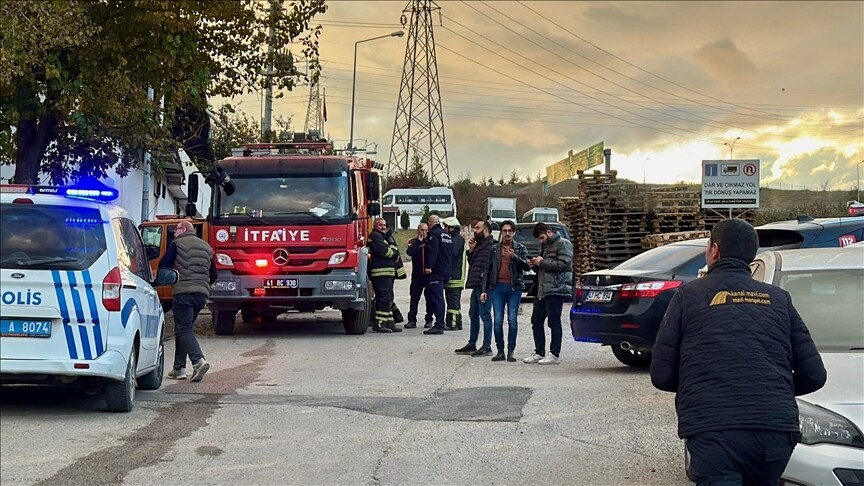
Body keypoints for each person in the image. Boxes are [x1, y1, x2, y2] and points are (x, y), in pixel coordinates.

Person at [651, 218, 826, 485]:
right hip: (775, 433)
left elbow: (662, 375)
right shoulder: (779, 300)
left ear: (714, 250)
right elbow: (814, 375)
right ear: (751, 255)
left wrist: (702, 386)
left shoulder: (688, 297)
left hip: (714, 432)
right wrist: (770, 388)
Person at [159, 221, 217, 382]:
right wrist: (202, 285)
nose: (174, 233)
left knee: (183, 328)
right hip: (201, 295)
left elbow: (164, 265)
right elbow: (214, 275)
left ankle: (198, 361)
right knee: (183, 329)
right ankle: (179, 368)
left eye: (176, 230)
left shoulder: (178, 244)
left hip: (183, 292)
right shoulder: (206, 247)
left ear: (183, 229)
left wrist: (166, 280)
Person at [523, 222, 572, 365]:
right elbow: (545, 268)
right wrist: (536, 264)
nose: (540, 240)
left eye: (542, 237)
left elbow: (563, 264)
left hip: (556, 289)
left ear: (549, 232)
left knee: (554, 321)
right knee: (536, 321)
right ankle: (539, 352)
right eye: (539, 239)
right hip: (542, 289)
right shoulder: (545, 246)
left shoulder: (564, 244)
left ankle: (554, 354)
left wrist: (542, 262)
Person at [486, 220, 531, 362]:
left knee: (512, 320)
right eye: (504, 231)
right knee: (498, 320)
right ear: (501, 232)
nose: (507, 233)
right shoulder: (494, 249)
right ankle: (500, 350)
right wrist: (484, 289)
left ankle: (511, 351)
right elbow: (487, 270)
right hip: (498, 287)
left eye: (510, 231)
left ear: (514, 232)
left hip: (514, 288)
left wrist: (514, 257)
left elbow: (527, 267)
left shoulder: (520, 248)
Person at [454, 220, 495, 355]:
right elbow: (474, 264)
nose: (475, 231)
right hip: (477, 285)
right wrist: (471, 250)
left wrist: (485, 288)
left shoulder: (491, 246)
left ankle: (487, 346)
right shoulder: (480, 245)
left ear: (485, 230)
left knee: (485, 315)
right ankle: (472, 344)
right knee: (473, 314)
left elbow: (489, 268)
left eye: (478, 228)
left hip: (485, 287)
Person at [367, 218, 402, 333]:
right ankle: (379, 324)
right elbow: (385, 251)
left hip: (387, 273)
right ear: (375, 226)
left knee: (388, 298)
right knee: (384, 298)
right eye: (380, 225)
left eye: (384, 225)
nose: (383, 227)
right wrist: (394, 253)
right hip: (380, 273)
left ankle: (390, 323)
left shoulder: (383, 237)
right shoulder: (375, 236)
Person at [422, 214, 453, 335]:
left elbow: (433, 252)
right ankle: (440, 323)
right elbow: (450, 253)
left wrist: (429, 266)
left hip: (437, 271)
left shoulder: (434, 235)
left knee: (437, 298)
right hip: (446, 270)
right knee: (438, 297)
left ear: (430, 223)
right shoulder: (447, 235)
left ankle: (439, 325)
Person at [404, 223, 433, 329]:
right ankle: (412, 320)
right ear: (418, 231)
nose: (424, 232)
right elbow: (409, 252)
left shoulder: (431, 242)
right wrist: (418, 242)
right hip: (417, 275)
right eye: (422, 230)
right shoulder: (413, 242)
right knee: (414, 298)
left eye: (426, 230)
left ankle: (429, 319)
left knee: (429, 298)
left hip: (429, 275)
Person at [442, 217, 466, 331]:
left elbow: (453, 252)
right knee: (453, 300)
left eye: (445, 227)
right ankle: (458, 322)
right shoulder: (456, 238)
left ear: (451, 227)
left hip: (455, 276)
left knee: (452, 300)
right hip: (454, 274)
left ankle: (452, 323)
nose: (444, 229)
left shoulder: (457, 239)